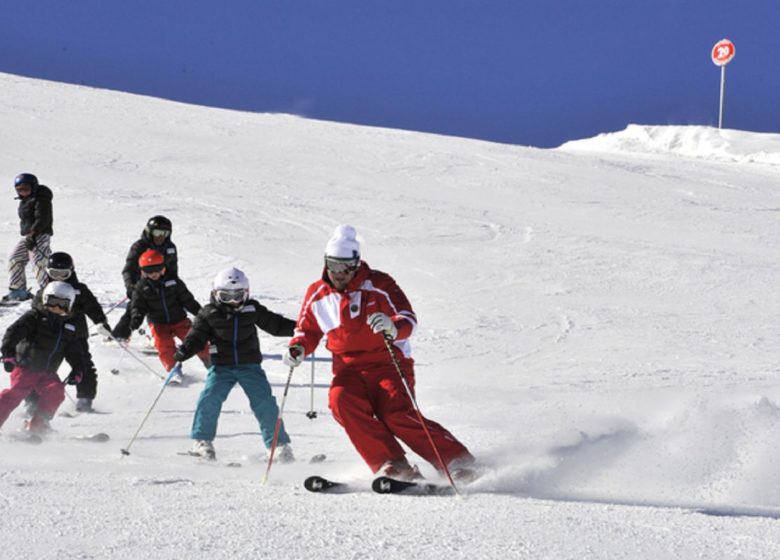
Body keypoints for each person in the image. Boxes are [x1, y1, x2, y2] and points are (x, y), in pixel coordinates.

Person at [283, 225, 475, 481]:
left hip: (388, 362)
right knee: (341, 402)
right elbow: (307, 330)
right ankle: (392, 463)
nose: (339, 274)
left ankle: (455, 460)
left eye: (345, 267)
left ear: (356, 263)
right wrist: (298, 348)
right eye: (333, 265)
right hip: (347, 368)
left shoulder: (380, 284)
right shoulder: (318, 293)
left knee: (396, 414)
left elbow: (408, 318)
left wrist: (393, 327)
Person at [174, 267, 296, 462]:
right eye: (226, 296)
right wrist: (184, 351)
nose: (233, 301)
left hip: (250, 366)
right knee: (209, 399)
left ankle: (279, 445)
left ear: (246, 293)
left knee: (264, 403)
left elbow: (276, 324)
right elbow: (196, 336)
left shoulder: (252, 309)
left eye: (238, 295)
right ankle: (202, 441)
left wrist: (301, 328)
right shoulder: (209, 313)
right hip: (221, 367)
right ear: (215, 294)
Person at [27, 252, 112, 412]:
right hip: (51, 337)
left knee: (83, 365)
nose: (59, 278)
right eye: (54, 274)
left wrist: (101, 322)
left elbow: (93, 307)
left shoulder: (79, 290)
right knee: (41, 366)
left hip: (76, 336)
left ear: (71, 271)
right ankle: (32, 401)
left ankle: (85, 399)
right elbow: (35, 311)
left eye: (63, 274)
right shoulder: (45, 291)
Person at [0, 281, 86, 434]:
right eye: (53, 302)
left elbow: (74, 351)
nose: (57, 308)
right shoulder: (34, 317)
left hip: (47, 371)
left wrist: (78, 369)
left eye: (62, 304)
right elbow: (14, 332)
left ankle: (39, 424)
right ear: (46, 300)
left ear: (70, 305)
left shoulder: (69, 326)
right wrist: (8, 353)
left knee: (56, 391)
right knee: (15, 394)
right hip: (26, 367)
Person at [129, 249, 208, 382]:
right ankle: (174, 370)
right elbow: (138, 306)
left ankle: (212, 364)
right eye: (149, 271)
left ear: (163, 268)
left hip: (179, 319)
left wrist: (201, 314)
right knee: (163, 344)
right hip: (158, 322)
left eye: (157, 269)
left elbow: (187, 300)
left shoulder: (174, 282)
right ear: (142, 271)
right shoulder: (141, 287)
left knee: (195, 339)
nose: (154, 273)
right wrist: (136, 317)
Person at [112, 215, 177, 340]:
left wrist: (173, 285)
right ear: (149, 231)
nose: (160, 236)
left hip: (162, 284)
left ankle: (159, 338)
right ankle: (119, 336)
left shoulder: (170, 248)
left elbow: (173, 270)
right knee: (136, 308)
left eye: (165, 233)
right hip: (142, 284)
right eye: (157, 232)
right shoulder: (139, 246)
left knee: (167, 308)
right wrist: (131, 286)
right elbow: (128, 269)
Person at [3, 173, 53, 302]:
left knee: (39, 261)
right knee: (15, 259)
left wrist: (34, 234)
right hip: (29, 235)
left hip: (40, 234)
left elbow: (43, 218)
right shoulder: (26, 200)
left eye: (25, 187)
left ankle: (50, 293)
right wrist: (29, 236)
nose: (23, 191)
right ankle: (18, 291)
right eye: (19, 189)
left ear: (34, 186)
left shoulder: (41, 199)